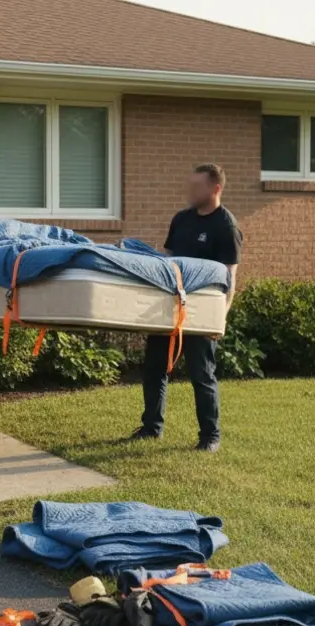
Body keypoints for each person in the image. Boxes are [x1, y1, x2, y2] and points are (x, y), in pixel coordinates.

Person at [129, 163, 241, 453]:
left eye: (197, 186)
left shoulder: (225, 226)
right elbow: (167, 264)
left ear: (215, 188)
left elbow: (229, 278)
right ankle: (152, 428)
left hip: (201, 313)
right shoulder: (181, 219)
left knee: (202, 375)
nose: (190, 191)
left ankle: (210, 437)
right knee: (154, 369)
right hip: (168, 308)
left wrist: (220, 318)